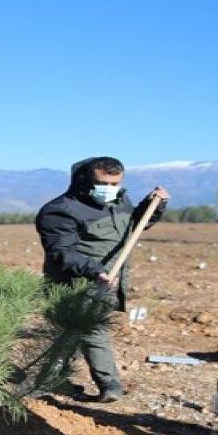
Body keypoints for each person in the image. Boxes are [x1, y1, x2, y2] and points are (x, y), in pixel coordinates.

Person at [35, 157, 168, 403]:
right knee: (91, 330)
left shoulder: (119, 201)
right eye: (103, 183)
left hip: (110, 279)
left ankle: (50, 379)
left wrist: (154, 205)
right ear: (84, 180)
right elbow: (62, 252)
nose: (110, 189)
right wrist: (94, 270)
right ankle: (109, 384)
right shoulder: (59, 211)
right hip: (76, 284)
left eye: (115, 184)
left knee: (73, 334)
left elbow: (133, 228)